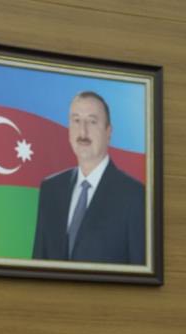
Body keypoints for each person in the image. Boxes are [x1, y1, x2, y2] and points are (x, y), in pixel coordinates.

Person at [32, 91, 146, 264]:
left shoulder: (135, 196)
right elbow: (38, 265)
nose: (83, 131)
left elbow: (140, 272)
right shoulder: (50, 189)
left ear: (109, 132)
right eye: (76, 120)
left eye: (92, 122)